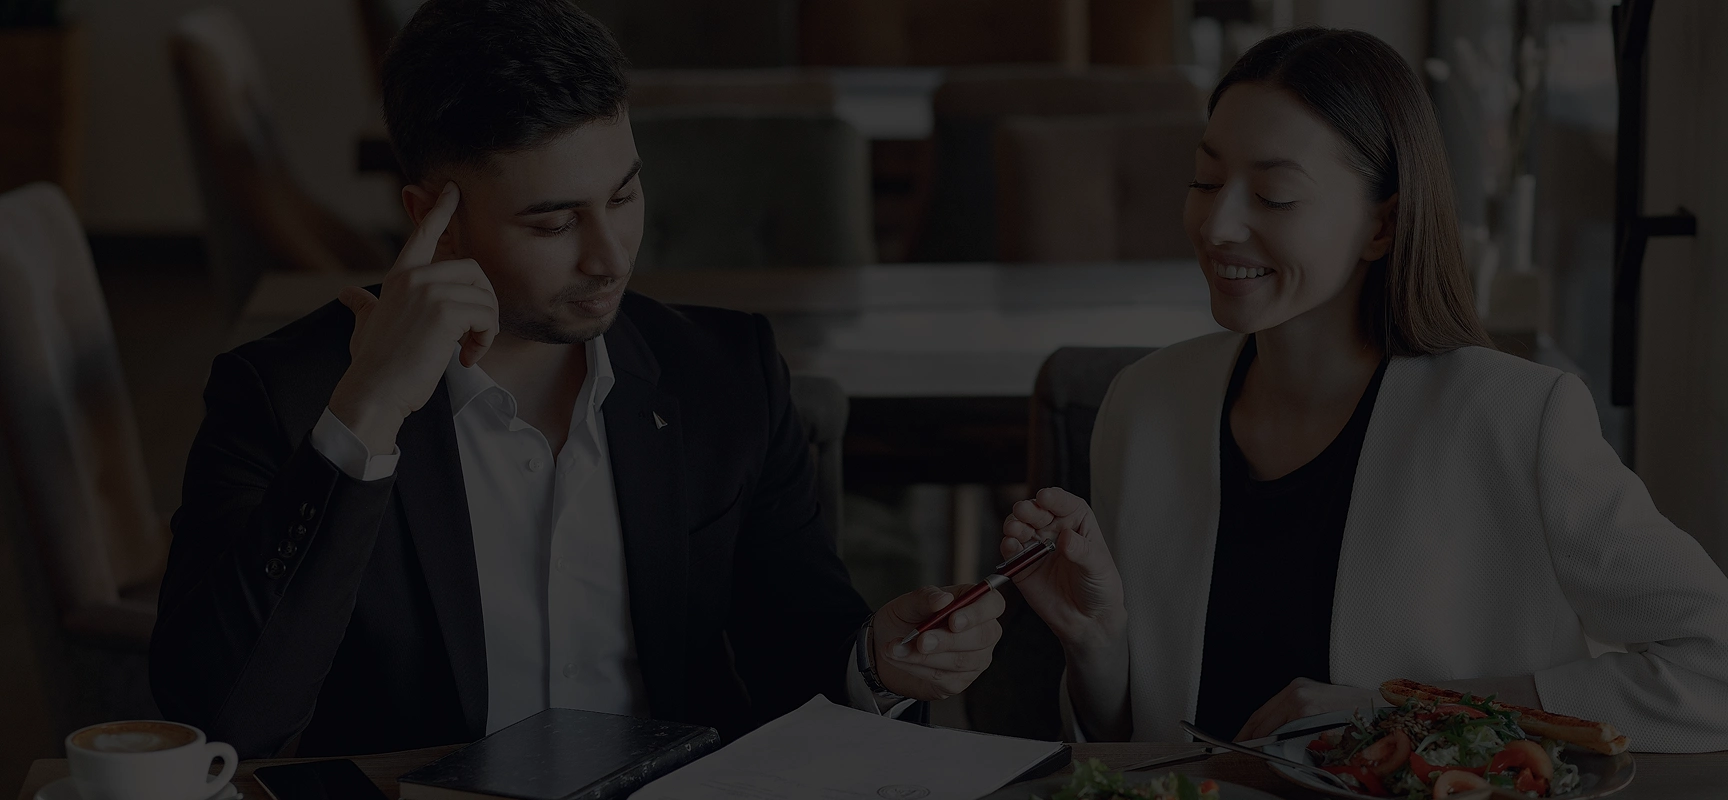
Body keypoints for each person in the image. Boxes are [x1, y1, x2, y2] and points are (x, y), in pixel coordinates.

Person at [150, 0, 1003, 759]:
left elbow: (800, 656)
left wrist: (880, 661)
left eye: (623, 198)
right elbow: (226, 721)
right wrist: (369, 414)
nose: (608, 257)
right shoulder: (288, 395)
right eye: (553, 221)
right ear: (433, 223)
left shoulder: (724, 375)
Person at [1000, 28, 1728, 750]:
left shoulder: (1516, 419)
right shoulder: (1145, 403)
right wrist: (1096, 645)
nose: (1218, 224)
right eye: (1206, 180)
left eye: (1276, 196)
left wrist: (1404, 707)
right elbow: (1133, 742)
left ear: (1382, 224)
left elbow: (1714, 668)